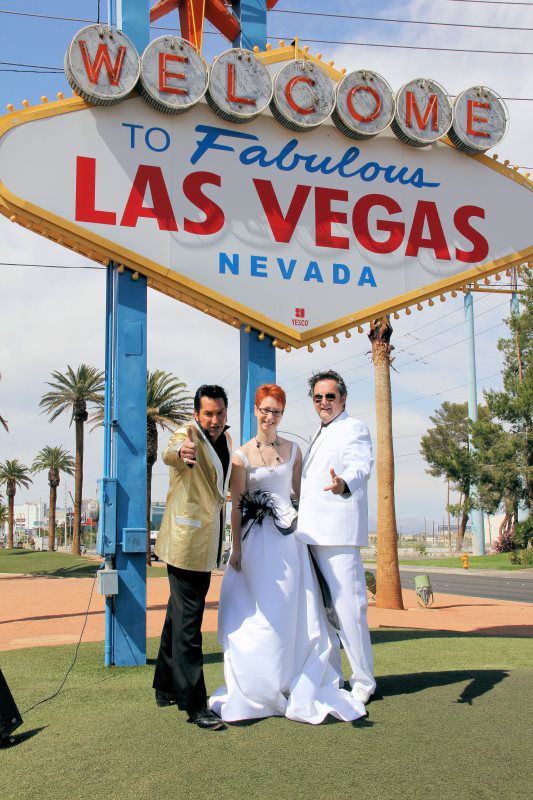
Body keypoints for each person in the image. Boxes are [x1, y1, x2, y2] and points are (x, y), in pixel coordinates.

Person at [209, 383, 365, 724]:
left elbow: (300, 495)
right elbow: (236, 505)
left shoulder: (294, 450)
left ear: (282, 414)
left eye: (276, 411)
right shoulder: (241, 456)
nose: (270, 416)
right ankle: (260, 681)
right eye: (265, 410)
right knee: (259, 612)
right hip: (255, 541)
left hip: (289, 541)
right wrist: (236, 548)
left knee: (293, 608)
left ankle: (292, 677)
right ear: (256, 411)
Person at [153, 384, 231, 731]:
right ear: (196, 414)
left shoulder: (226, 439)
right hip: (185, 544)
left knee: (177, 616)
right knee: (189, 625)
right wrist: (181, 452)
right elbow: (171, 452)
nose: (215, 420)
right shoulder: (186, 434)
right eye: (208, 414)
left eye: (220, 413)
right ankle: (195, 704)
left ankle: (165, 686)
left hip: (206, 543)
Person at [297, 370, 376, 705]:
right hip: (311, 535)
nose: (324, 402)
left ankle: (364, 682)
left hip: (338, 535)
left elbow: (360, 465)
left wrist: (344, 483)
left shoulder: (354, 428)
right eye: (318, 397)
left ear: (343, 398)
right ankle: (332, 678)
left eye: (330, 396)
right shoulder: (320, 433)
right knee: (323, 612)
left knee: (349, 609)